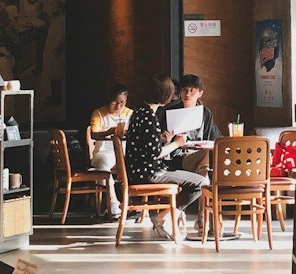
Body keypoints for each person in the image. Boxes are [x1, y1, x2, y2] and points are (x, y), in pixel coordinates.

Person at [122, 74, 208, 235]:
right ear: (165, 95)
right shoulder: (149, 117)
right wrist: (177, 143)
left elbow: (146, 145)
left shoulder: (140, 112)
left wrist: (162, 139)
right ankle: (163, 216)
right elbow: (155, 154)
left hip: (138, 169)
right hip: (149, 172)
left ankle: (164, 216)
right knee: (201, 184)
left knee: (198, 179)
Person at [88, 83, 131, 216]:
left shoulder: (130, 113)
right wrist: (108, 132)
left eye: (122, 102)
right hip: (103, 152)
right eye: (115, 102)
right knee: (103, 164)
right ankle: (112, 202)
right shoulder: (99, 113)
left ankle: (133, 205)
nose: (118, 106)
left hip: (124, 153)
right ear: (109, 99)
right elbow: (93, 134)